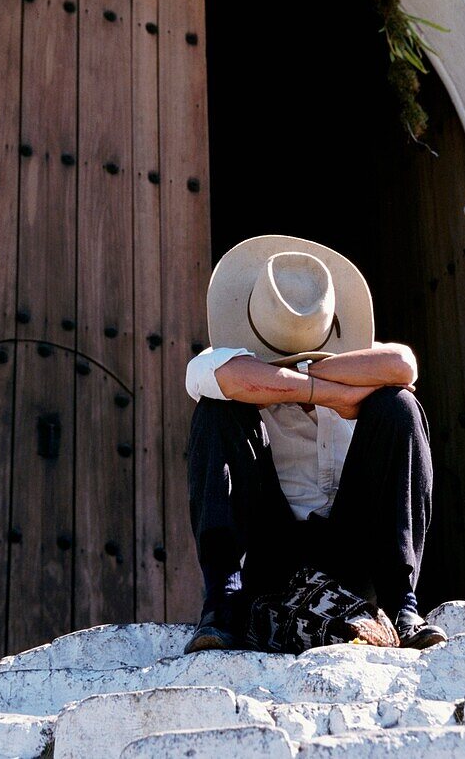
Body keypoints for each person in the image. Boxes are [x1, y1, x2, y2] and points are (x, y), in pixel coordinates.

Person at [184, 235, 447, 654]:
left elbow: (403, 365)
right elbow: (237, 380)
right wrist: (331, 393)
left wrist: (308, 370)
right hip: (271, 554)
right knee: (216, 410)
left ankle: (403, 604)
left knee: (400, 407)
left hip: (352, 555)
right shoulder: (218, 361)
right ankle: (223, 604)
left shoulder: (363, 359)